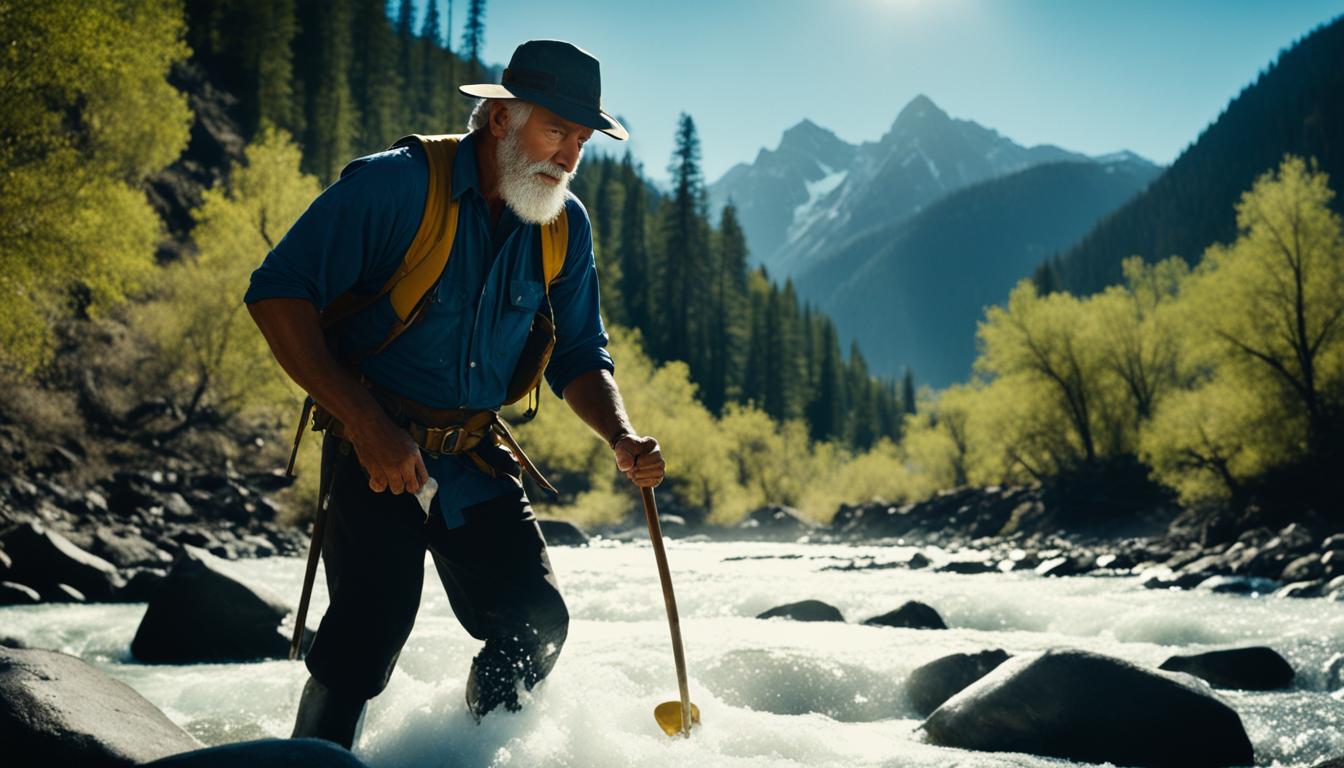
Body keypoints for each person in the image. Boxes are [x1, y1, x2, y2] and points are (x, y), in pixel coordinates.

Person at [244, 40, 664, 748]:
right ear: (500, 117)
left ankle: (465, 754)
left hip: (473, 454)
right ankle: (314, 764)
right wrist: (366, 424)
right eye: (556, 131)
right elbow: (277, 293)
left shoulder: (566, 225)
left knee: (537, 623)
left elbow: (580, 352)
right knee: (365, 635)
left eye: (582, 141)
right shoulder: (396, 185)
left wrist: (620, 435)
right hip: (375, 445)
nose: (569, 157)